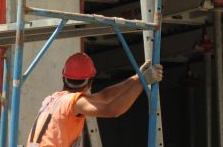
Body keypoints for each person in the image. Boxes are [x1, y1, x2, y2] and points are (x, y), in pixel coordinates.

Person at [27, 52, 164, 146]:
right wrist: (142, 82)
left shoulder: (52, 99)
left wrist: (137, 77)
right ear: (90, 83)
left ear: (64, 78)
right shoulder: (74, 102)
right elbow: (112, 110)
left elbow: (104, 96)